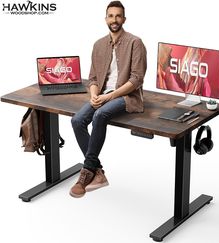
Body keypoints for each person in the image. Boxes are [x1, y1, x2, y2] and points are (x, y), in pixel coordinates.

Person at [70, 1, 147, 198]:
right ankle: (98, 171)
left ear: (124, 19)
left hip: (126, 96)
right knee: (77, 120)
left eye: (118, 16)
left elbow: (137, 79)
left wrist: (108, 97)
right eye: (111, 16)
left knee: (101, 115)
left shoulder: (135, 42)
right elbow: (93, 78)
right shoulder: (98, 45)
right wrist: (94, 95)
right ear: (106, 19)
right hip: (102, 95)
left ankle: (87, 171)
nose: (114, 20)